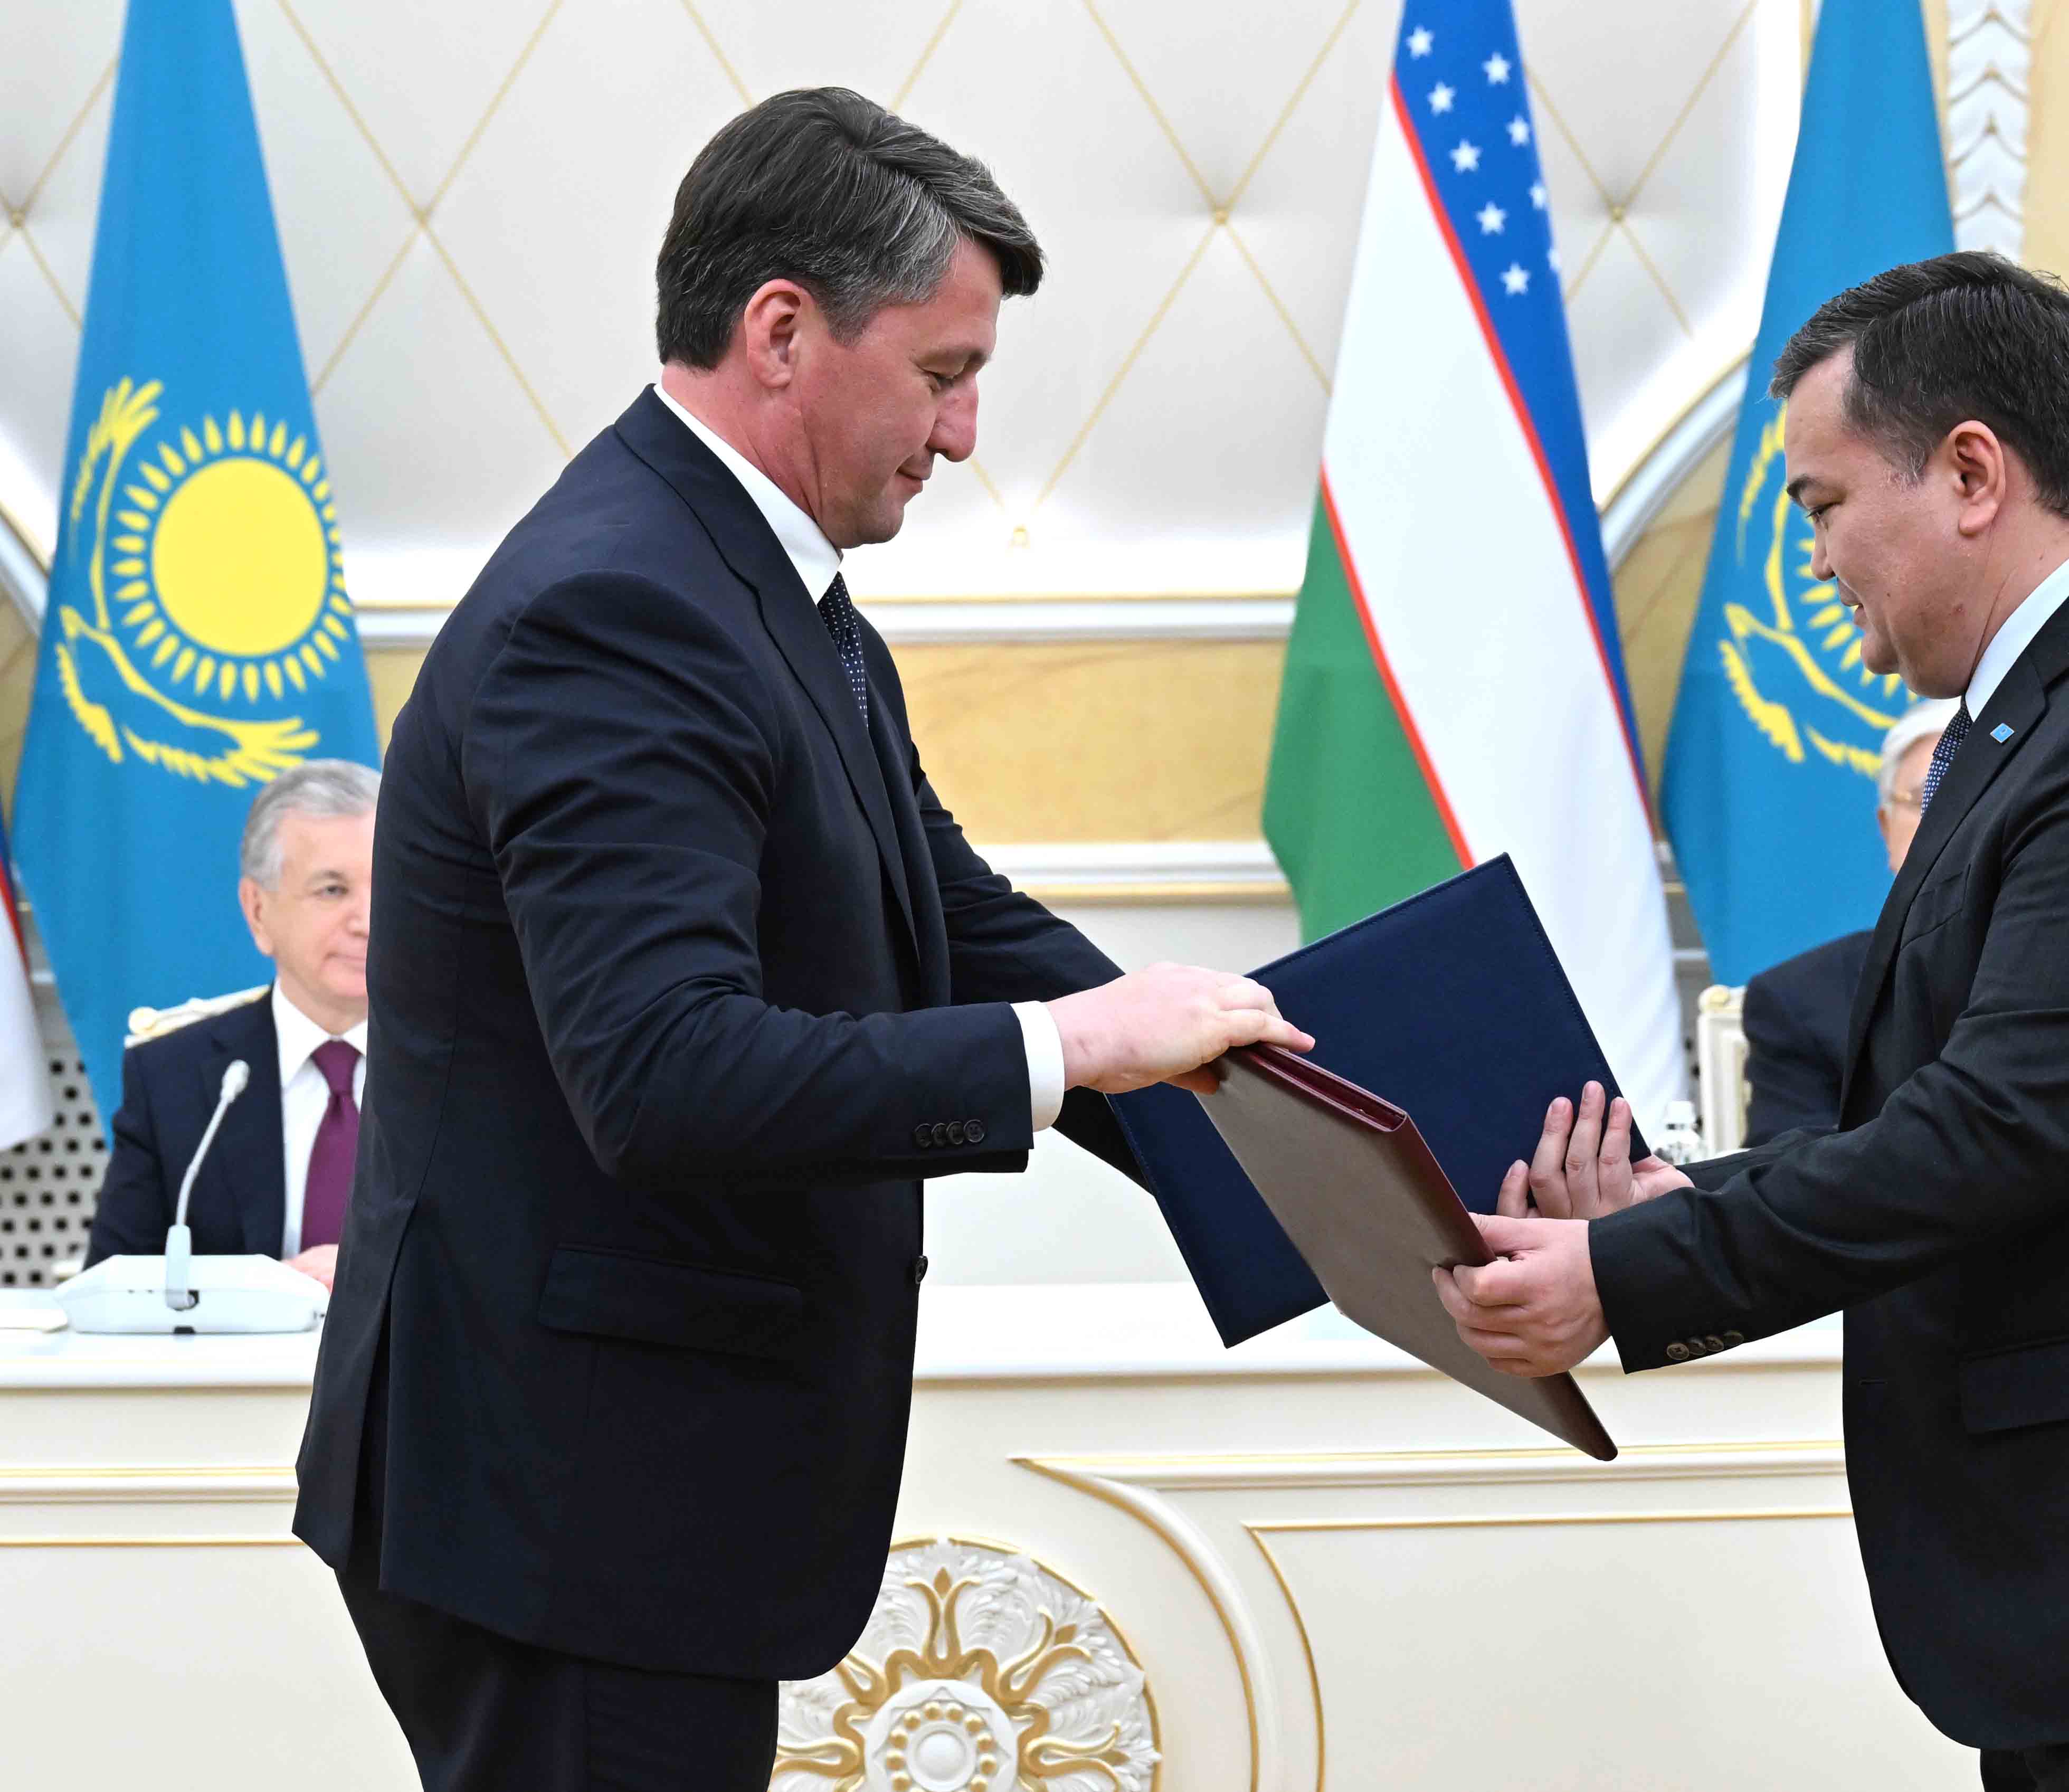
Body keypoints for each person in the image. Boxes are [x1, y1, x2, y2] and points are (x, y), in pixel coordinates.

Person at [290, 89, 1310, 1792]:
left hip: (617, 1498)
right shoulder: (618, 607)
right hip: (563, 1507)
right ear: (780, 331)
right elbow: (663, 1071)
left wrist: (1329, 1151)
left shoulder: (759, 589)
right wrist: (1077, 1051)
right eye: (941, 372)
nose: (965, 433)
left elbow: (956, 920)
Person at [1439, 252, 2069, 1791]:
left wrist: (1628, 1274)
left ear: (1972, 474)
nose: (1813, 559)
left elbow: (1995, 1134)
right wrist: (1673, 1204)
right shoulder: (2055, 709)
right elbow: (1955, 1107)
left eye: (1821, 504)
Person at [85, 760, 377, 1290]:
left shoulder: (478, 1069)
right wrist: (258, 1294)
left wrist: (381, 1279)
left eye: (391, 886)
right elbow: (115, 1288)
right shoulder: (172, 1078)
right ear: (258, 910)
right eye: (333, 890)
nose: (368, 920)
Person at [1739, 695, 1957, 1144]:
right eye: (1929, 796)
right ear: (1887, 828)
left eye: (1982, 795)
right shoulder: (1798, 1002)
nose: (1957, 818)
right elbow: (1783, 1174)